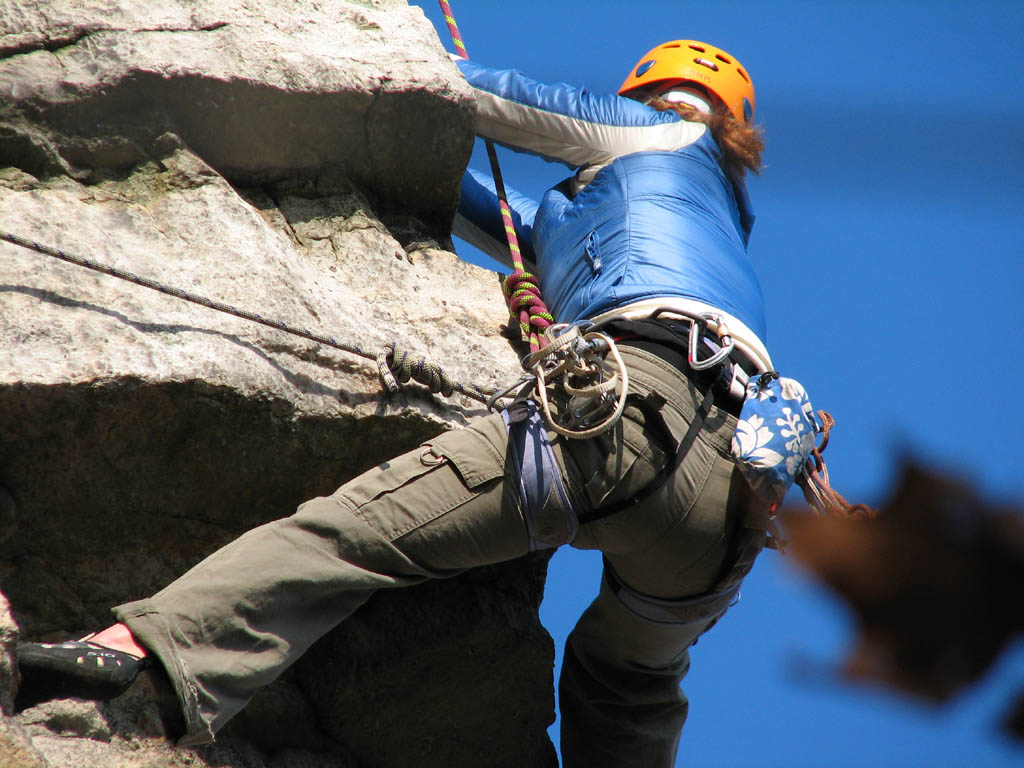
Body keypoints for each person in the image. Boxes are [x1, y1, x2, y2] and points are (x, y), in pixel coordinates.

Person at [17, 39, 773, 767]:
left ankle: (134, 656)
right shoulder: (707, 220)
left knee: (352, 534)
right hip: (730, 503)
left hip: (627, 418)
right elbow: (490, 208)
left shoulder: (655, 135)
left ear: (645, 97)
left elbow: (463, 91)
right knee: (628, 681)